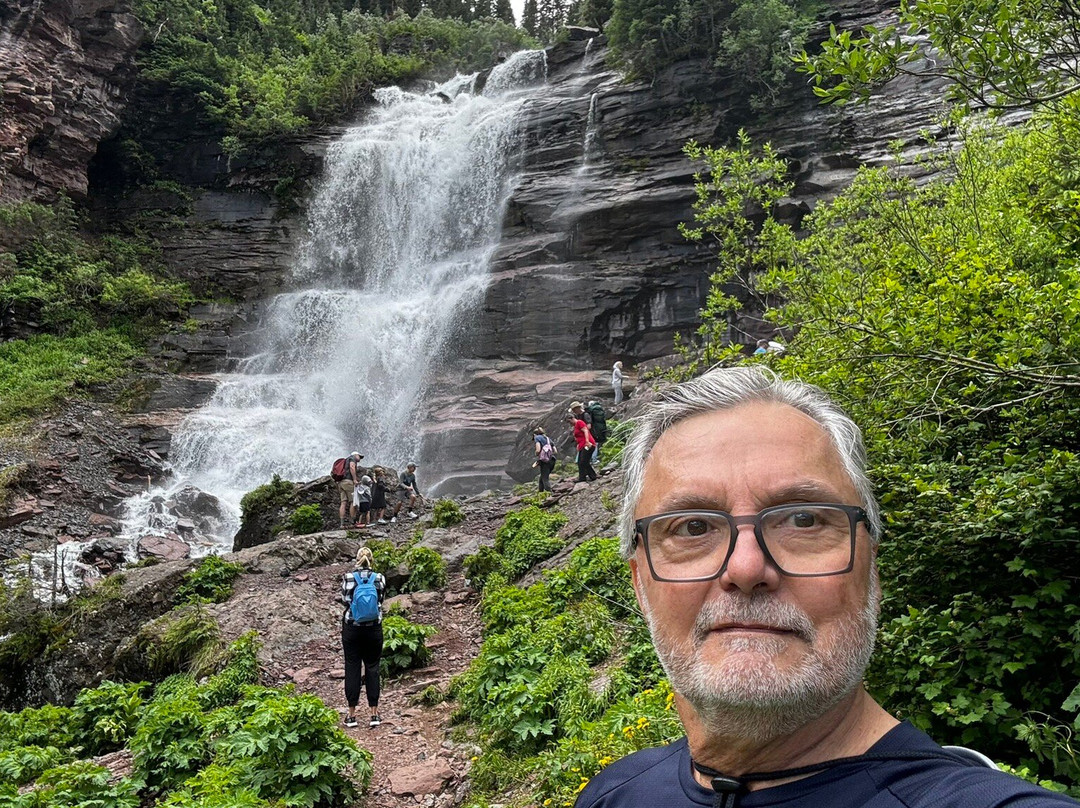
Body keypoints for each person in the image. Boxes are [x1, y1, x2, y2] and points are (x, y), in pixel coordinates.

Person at [577, 366, 1075, 808]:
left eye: (803, 519)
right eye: (691, 527)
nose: (746, 568)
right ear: (640, 582)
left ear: (870, 569)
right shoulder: (614, 793)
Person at [339, 546, 385, 729]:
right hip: (374, 628)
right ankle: (374, 714)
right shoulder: (379, 578)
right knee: (373, 668)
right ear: (371, 560)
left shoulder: (348, 578)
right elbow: (380, 601)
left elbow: (344, 600)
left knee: (352, 667)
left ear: (357, 560)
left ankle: (352, 715)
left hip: (352, 628)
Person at [567, 409, 597, 483]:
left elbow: (586, 430)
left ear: (572, 418)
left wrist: (587, 441)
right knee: (581, 462)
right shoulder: (575, 426)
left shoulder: (579, 422)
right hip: (582, 445)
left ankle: (591, 476)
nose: (569, 423)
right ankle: (583, 477)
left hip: (588, 444)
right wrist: (578, 444)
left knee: (584, 461)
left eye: (569, 421)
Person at [338, 451, 363, 528]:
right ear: (355, 455)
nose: (360, 458)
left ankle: (342, 524)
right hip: (348, 482)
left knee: (343, 503)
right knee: (353, 502)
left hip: (341, 483)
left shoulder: (345, 460)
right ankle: (353, 523)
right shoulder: (352, 458)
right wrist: (355, 479)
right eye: (359, 456)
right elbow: (352, 467)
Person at [533, 426, 557, 493]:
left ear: (535, 434)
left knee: (545, 479)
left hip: (545, 461)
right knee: (542, 478)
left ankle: (550, 493)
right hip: (552, 460)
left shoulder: (537, 438)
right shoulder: (548, 439)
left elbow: (538, 450)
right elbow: (555, 451)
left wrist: (537, 454)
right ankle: (540, 493)